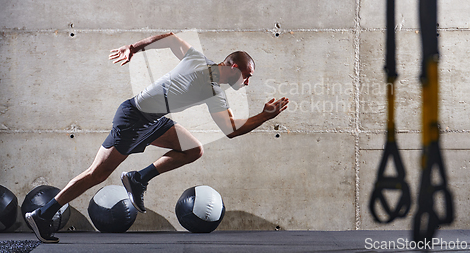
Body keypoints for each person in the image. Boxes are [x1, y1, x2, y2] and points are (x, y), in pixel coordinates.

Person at [25, 32, 289, 243]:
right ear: (233, 66)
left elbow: (172, 38)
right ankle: (43, 214)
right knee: (97, 174)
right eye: (247, 76)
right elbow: (232, 130)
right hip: (133, 118)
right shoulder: (210, 85)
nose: (247, 83)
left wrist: (134, 47)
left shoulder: (202, 66)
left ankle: (138, 178)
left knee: (193, 150)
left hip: (151, 120)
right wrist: (264, 116)